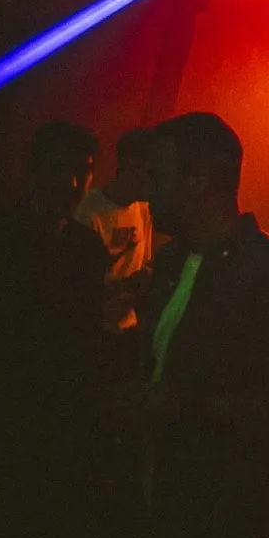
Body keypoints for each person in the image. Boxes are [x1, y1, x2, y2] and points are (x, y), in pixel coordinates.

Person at [134, 112, 269, 538]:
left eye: (158, 177)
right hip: (168, 506)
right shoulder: (172, 259)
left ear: (198, 180)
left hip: (235, 525)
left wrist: (189, 407)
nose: (146, 192)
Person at [0, 122, 110, 538]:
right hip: (1, 421)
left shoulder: (88, 248)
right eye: (60, 168)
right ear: (34, 170)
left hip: (59, 425)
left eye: (82, 171)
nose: (72, 183)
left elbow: (85, 338)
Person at [73, 127, 157, 369]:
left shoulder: (143, 209)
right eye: (151, 169)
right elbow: (77, 288)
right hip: (94, 336)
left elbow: (144, 262)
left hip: (126, 333)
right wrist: (126, 285)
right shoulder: (88, 213)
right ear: (131, 164)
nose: (156, 178)